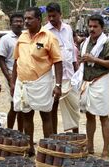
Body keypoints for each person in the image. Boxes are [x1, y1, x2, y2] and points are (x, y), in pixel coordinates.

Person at [11, 7, 63, 155]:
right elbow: (16, 61)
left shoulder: (49, 37)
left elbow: (58, 62)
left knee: (46, 115)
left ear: (39, 20)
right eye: (25, 18)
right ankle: (30, 148)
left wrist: (58, 85)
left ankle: (47, 149)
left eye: (29, 18)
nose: (26, 21)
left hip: (42, 82)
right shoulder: (22, 37)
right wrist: (13, 82)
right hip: (23, 83)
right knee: (27, 115)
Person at [74, 14, 109, 157]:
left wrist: (94, 59)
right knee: (89, 115)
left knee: (103, 115)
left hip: (100, 80)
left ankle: (105, 149)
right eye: (90, 26)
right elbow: (81, 60)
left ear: (101, 27)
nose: (92, 29)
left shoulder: (107, 43)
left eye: (95, 26)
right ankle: (90, 146)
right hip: (87, 81)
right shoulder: (85, 43)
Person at [45, 2, 80, 133]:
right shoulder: (45, 32)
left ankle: (76, 137)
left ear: (61, 14)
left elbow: (72, 52)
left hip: (70, 75)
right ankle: (54, 136)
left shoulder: (68, 29)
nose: (52, 19)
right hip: (53, 76)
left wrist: (76, 71)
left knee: (74, 107)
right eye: (49, 16)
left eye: (54, 16)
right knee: (52, 107)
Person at [0, 13, 25, 131]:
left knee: (23, 108)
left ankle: (20, 133)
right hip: (11, 75)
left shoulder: (26, 37)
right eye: (16, 21)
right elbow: (1, 59)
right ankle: (9, 131)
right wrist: (9, 78)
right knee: (14, 106)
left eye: (20, 21)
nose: (19, 24)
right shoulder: (5, 39)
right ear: (11, 24)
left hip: (25, 76)